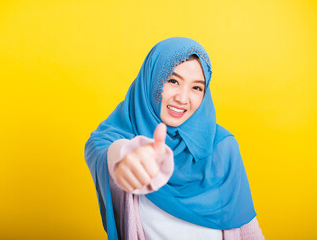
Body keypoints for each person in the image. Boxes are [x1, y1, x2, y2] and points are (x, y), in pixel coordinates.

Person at [85, 37, 264, 240]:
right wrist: (126, 155)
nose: (182, 98)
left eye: (196, 87)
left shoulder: (223, 146)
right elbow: (104, 149)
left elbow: (248, 230)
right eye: (173, 81)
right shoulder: (116, 138)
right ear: (151, 79)